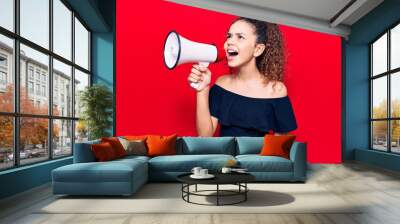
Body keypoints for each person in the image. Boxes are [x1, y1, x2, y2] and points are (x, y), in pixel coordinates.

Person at [188, 17, 297, 137]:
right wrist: (202, 90)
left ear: (257, 49)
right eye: (229, 36)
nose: (229, 41)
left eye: (240, 37)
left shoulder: (276, 90)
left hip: (258, 156)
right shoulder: (222, 84)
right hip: (224, 156)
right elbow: (205, 137)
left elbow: (278, 148)